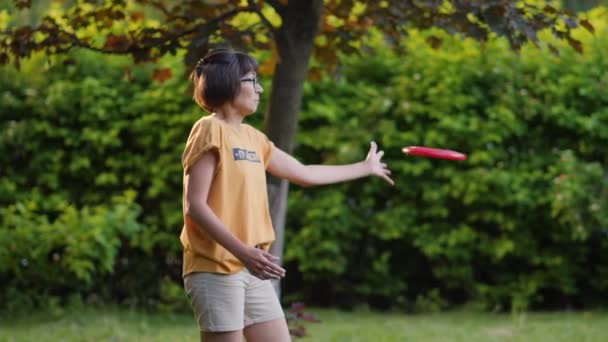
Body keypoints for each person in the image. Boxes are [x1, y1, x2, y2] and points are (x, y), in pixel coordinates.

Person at [180, 47, 394, 342]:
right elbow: (196, 206)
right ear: (229, 83)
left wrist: (364, 167)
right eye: (252, 81)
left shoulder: (255, 139)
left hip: (251, 268)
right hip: (215, 268)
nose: (260, 88)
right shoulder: (208, 129)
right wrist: (243, 252)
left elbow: (304, 174)